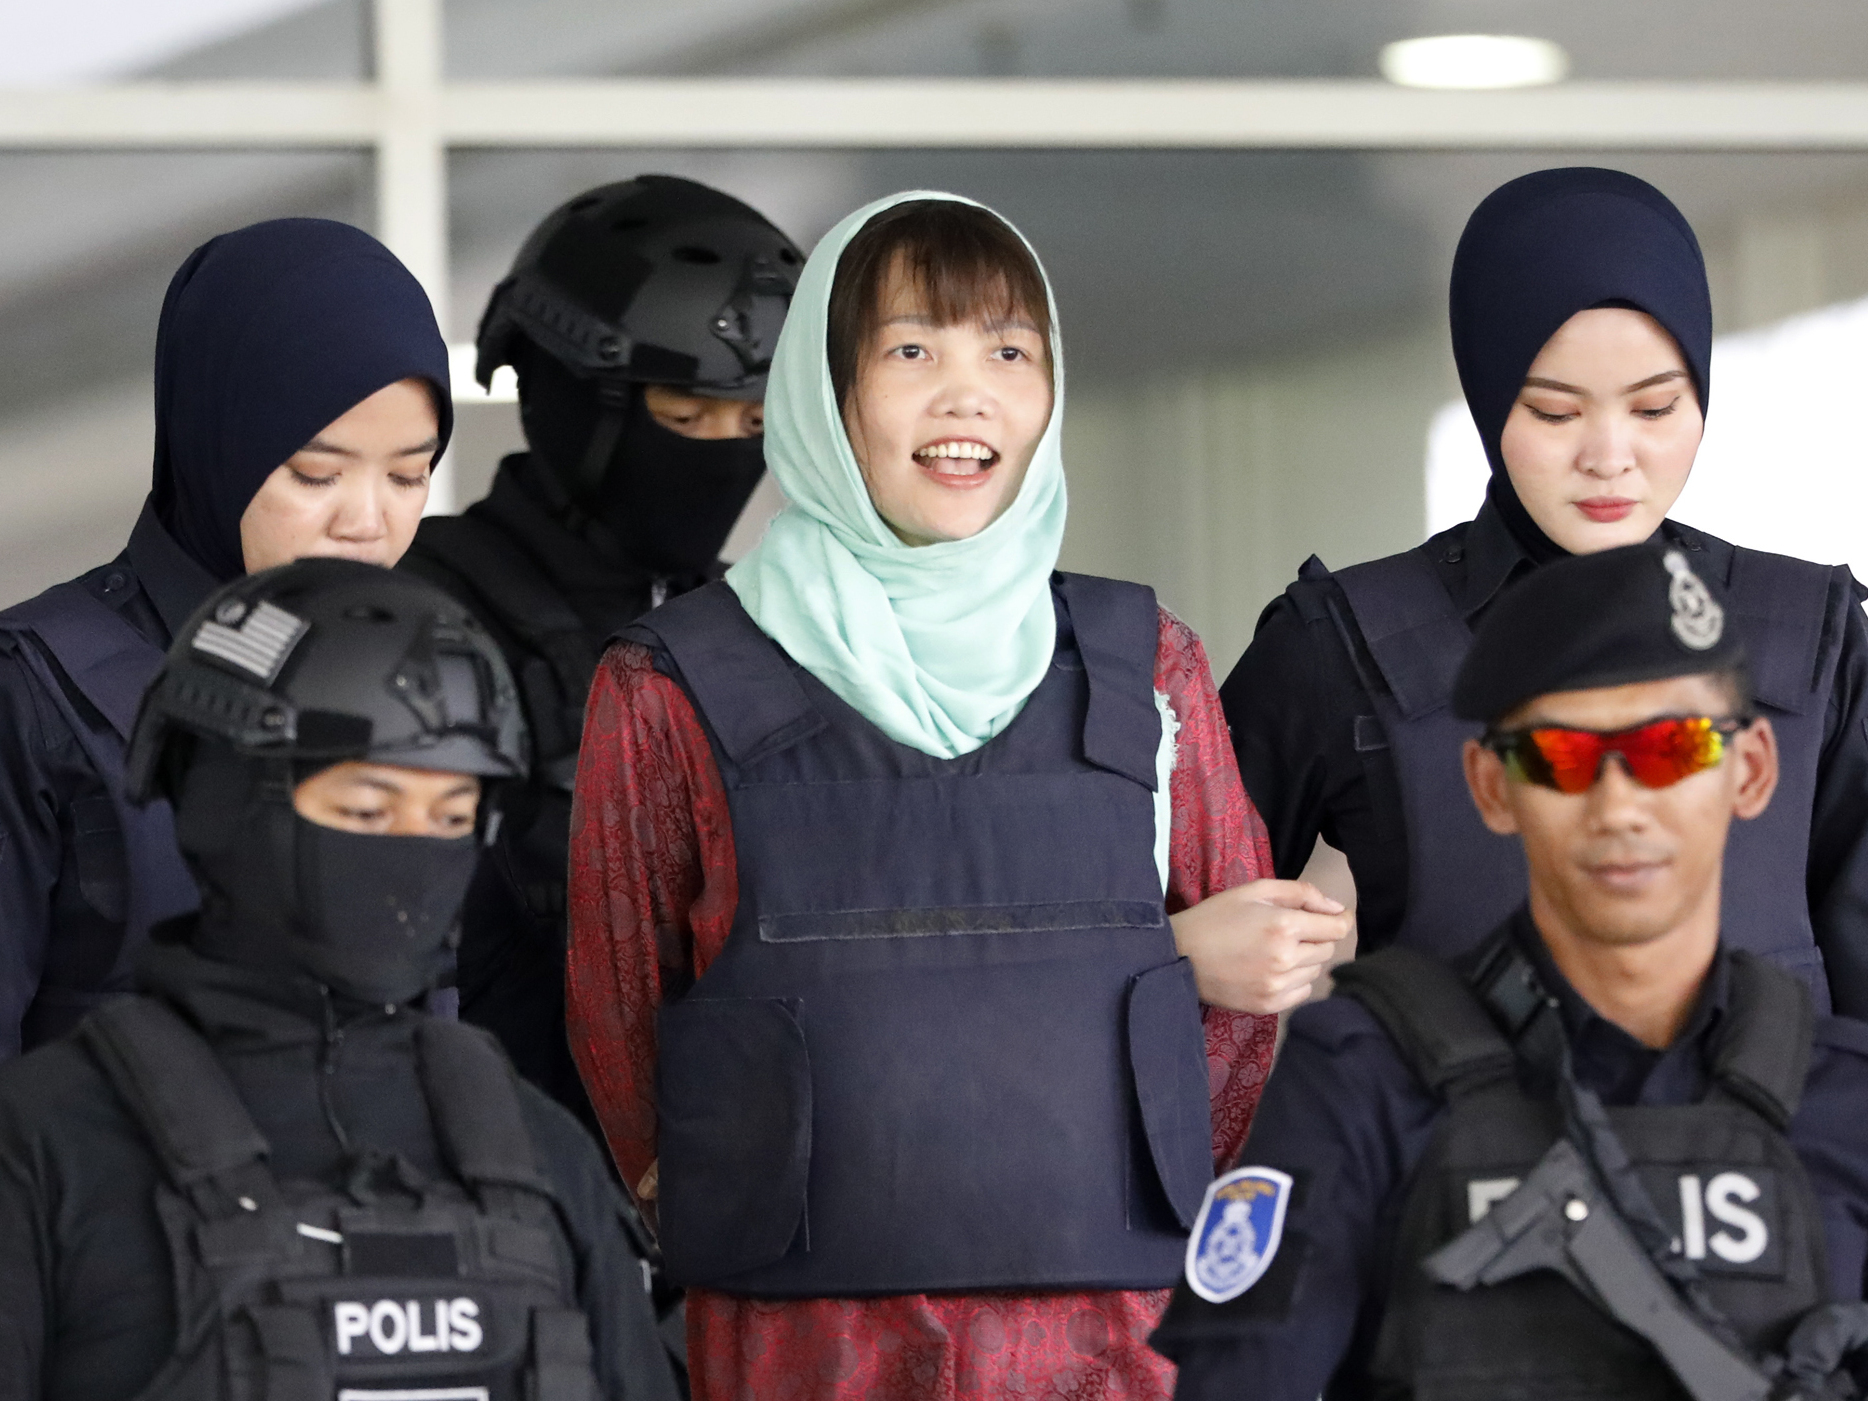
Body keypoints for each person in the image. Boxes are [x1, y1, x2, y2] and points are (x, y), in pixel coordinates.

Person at [566, 190, 1352, 1401]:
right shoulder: (670, 684)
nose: (964, 392)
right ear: (827, 398)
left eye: (1006, 350)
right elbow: (620, 1019)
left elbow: (1241, 1034)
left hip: (1115, 1345)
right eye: (910, 350)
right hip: (810, 1352)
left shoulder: (1149, 666)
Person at [1153, 543, 1868, 1401]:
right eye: (1563, 756)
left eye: (1671, 747)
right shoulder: (1361, 1083)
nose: (1619, 804)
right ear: (1491, 785)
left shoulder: (1843, 1103)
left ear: (1748, 771)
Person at [0, 558, 680, 1401]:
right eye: (366, 810)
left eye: (451, 817)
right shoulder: (47, 1141)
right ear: (223, 799)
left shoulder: (536, 1148)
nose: (411, 853)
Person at [1218, 167, 1868, 1012]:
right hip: (1446, 1139)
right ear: (1489, 402)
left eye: (1656, 408)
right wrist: (1192, 954)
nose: (1609, 456)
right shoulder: (1339, 644)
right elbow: (1161, 935)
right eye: (1556, 413)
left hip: (1769, 1142)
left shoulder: (1809, 638)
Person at [401, 175, 803, 1128]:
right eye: (685, 415)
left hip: (736, 1212)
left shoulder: (777, 629)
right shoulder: (415, 614)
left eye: (754, 422)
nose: (722, 454)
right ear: (564, 390)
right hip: (500, 1192)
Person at [0, 218, 451, 1058]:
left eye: (408, 474)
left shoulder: (428, 688)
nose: (367, 522)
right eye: (316, 473)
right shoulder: (36, 693)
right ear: (217, 445)